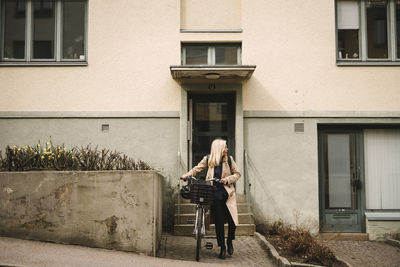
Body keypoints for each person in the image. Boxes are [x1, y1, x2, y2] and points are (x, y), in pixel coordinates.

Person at [182, 139, 241, 259]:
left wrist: (227, 179)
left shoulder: (229, 159)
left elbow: (237, 174)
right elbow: (197, 169)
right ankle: (222, 247)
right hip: (214, 195)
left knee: (232, 222)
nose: (227, 149)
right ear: (219, 148)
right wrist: (187, 175)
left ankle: (229, 241)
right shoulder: (208, 159)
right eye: (225, 147)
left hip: (228, 195)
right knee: (219, 222)